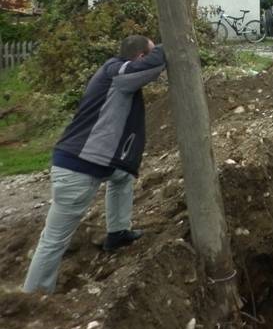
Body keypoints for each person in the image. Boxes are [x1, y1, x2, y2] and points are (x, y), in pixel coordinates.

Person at [23, 36, 166, 294]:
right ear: (141, 57)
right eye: (151, 52)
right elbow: (147, 67)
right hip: (77, 168)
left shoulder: (115, 72)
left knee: (122, 178)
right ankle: (34, 298)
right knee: (54, 240)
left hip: (96, 162)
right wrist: (175, 43)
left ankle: (118, 233)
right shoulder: (117, 71)